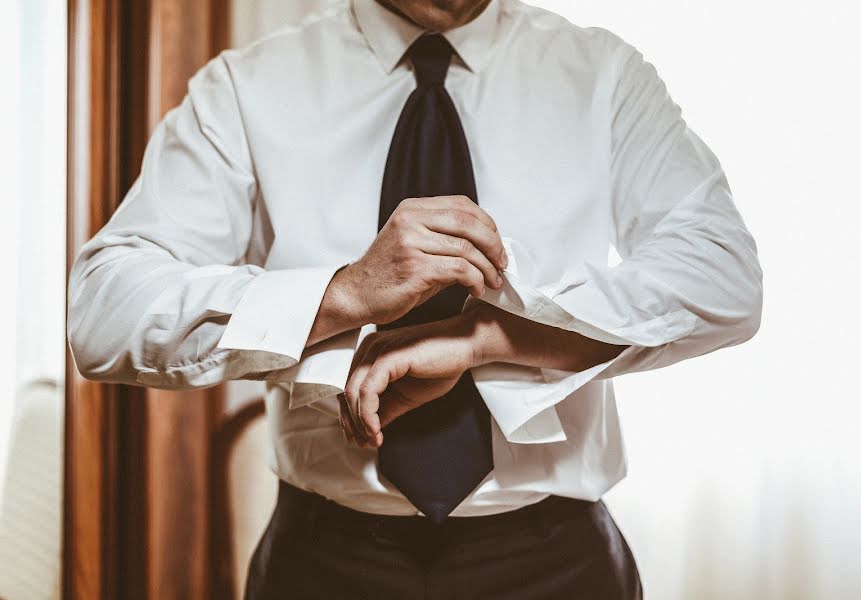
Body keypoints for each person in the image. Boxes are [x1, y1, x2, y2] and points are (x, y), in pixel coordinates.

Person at [66, 0, 763, 597]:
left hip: (559, 563)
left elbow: (723, 276)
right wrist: (342, 293)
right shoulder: (245, 88)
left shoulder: (604, 76)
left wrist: (485, 339)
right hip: (322, 564)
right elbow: (104, 310)